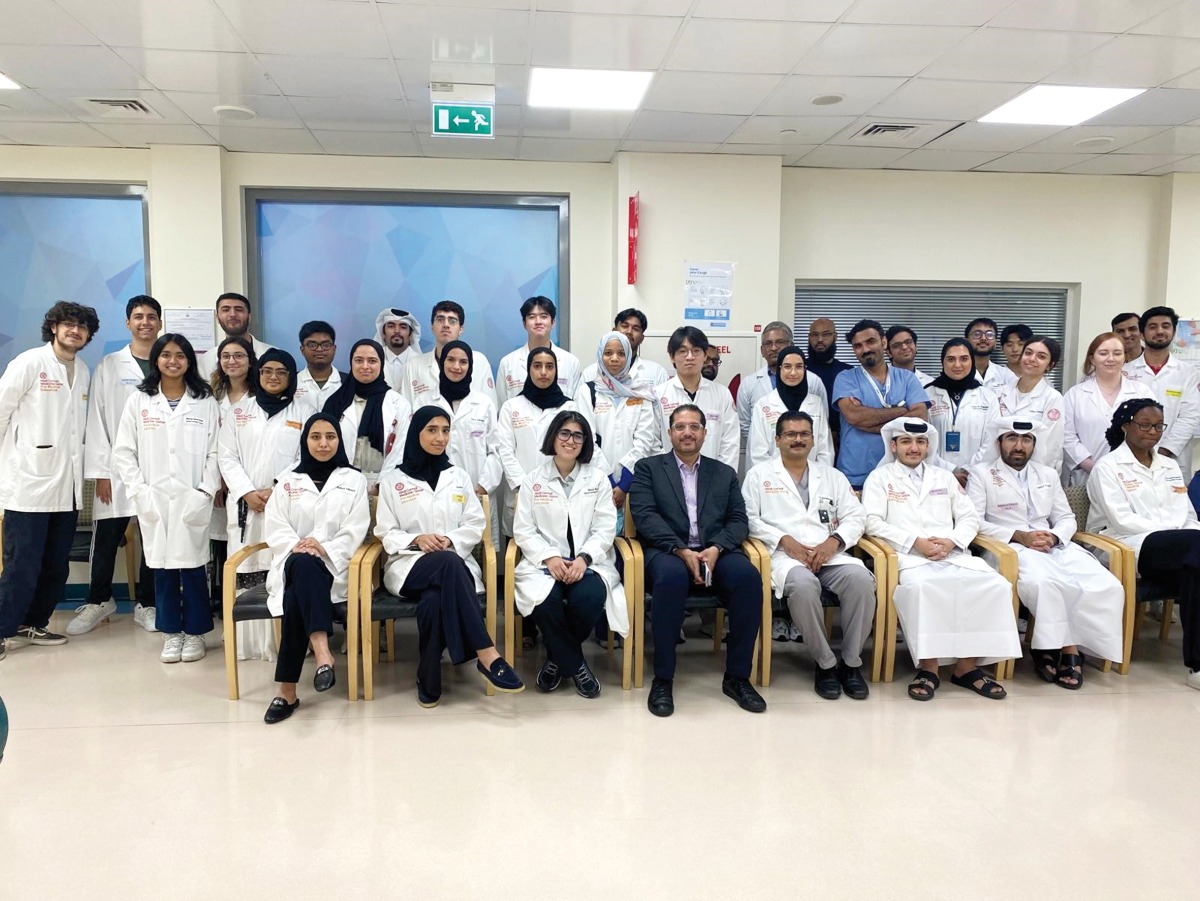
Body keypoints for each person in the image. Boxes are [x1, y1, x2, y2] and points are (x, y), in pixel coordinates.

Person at [863, 419, 1021, 701]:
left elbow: (969, 516)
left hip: (954, 554)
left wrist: (951, 541)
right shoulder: (880, 478)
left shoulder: (944, 477)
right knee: (926, 589)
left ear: (928, 446)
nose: (914, 448)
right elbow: (872, 522)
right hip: (908, 557)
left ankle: (967, 667)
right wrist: (915, 542)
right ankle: (929, 667)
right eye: (906, 442)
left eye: (920, 442)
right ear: (893, 445)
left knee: (995, 586)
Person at [375, 407, 523, 706]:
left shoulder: (458, 476)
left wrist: (449, 539)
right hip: (409, 566)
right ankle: (485, 652)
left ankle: (428, 676)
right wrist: (416, 539)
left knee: (433, 600)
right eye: (432, 430)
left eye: (445, 430)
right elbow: (385, 531)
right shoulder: (393, 481)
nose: (440, 437)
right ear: (416, 433)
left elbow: (473, 523)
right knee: (447, 563)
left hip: (453, 564)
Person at [630, 404, 767, 717]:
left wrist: (717, 548)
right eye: (680, 427)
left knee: (747, 578)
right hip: (666, 552)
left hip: (715, 552)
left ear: (705, 433)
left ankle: (737, 677)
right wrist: (681, 550)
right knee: (672, 578)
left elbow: (737, 519)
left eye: (694, 426)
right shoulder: (648, 468)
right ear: (670, 433)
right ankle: (663, 678)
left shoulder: (724, 473)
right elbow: (645, 516)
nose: (687, 432)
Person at [969, 419, 1125, 688]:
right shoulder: (981, 473)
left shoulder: (1047, 474)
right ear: (999, 443)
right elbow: (973, 521)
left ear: (1034, 445)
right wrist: (1020, 536)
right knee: (1046, 584)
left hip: (1053, 544)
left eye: (1026, 440)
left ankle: (1062, 647)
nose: (1019, 446)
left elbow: (1066, 517)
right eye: (1011, 439)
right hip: (1008, 546)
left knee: (1106, 584)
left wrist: (1053, 536)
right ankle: (1068, 650)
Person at [743, 410, 876, 700]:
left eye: (804, 434)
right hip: (785, 556)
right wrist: (784, 540)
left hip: (829, 554)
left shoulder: (832, 475)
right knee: (803, 587)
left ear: (813, 439)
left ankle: (851, 663)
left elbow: (856, 516)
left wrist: (835, 541)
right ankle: (826, 663)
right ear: (777, 440)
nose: (798, 439)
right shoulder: (759, 475)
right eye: (790, 434)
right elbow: (749, 518)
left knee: (862, 580)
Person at [112, 334, 221, 665]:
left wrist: (205, 491)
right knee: (162, 569)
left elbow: (216, 452)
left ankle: (197, 632)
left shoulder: (204, 401)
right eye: (166, 355)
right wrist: (139, 490)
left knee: (192, 568)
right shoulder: (140, 401)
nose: (173, 361)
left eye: (180, 355)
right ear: (156, 359)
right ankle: (172, 633)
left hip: (192, 497)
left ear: (189, 361)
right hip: (154, 499)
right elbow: (124, 451)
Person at [0, 301, 98, 660]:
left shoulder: (83, 370)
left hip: (66, 488)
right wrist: (7, 467)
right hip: (27, 485)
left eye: (83, 327)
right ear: (54, 327)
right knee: (21, 563)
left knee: (56, 564)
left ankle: (33, 622)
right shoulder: (29, 363)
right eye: (69, 324)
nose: (76, 331)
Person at [261, 414, 371, 724]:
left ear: (339, 441)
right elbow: (276, 526)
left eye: (330, 437)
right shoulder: (287, 480)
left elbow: (356, 528)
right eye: (315, 437)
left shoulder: (354, 480)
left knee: (299, 591)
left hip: (335, 566)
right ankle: (323, 653)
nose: (323, 443)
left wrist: (323, 548)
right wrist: (299, 546)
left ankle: (286, 691)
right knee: (303, 568)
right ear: (305, 441)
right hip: (293, 559)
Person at [512, 411, 628, 698]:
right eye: (564, 433)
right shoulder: (532, 481)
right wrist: (550, 557)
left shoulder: (598, 480)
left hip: (588, 563)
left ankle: (555, 660)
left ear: (585, 442)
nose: (570, 440)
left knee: (588, 598)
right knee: (546, 601)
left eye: (578, 435)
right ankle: (576, 665)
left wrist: (584, 558)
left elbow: (605, 527)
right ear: (553, 437)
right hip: (543, 564)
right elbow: (524, 530)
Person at [1087, 398, 1200, 691]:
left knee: (1195, 569)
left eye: (1158, 426)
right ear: (1126, 426)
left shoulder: (1169, 465)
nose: (1152, 432)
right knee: (1194, 550)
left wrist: (1185, 536)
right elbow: (1122, 520)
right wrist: (1177, 536)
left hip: (1182, 549)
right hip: (1129, 546)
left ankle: (1197, 666)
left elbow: (1187, 514)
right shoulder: (1108, 467)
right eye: (1145, 425)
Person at [69, 295, 159, 636]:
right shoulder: (109, 365)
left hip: (155, 469)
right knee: (106, 536)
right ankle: (99, 600)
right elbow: (98, 420)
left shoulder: (169, 361)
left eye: (151, 316)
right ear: (128, 323)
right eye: (138, 316)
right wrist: (101, 472)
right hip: (117, 469)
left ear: (159, 323)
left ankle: (147, 604)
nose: (145, 322)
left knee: (152, 537)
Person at [218, 349, 316, 660]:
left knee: (282, 569)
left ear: (291, 377)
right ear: (258, 374)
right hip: (247, 506)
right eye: (267, 371)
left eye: (281, 372)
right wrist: (247, 492)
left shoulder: (304, 411)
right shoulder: (238, 412)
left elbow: (308, 456)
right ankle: (247, 645)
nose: (273, 377)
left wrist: (277, 489)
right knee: (246, 569)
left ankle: (285, 643)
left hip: (287, 503)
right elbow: (227, 457)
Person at [492, 346, 603, 536]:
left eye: (549, 367)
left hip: (562, 493)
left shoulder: (569, 407)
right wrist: (524, 486)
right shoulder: (511, 407)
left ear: (556, 371)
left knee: (562, 548)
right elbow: (505, 451)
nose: (543, 372)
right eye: (537, 366)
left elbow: (582, 446)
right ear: (529, 370)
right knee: (521, 551)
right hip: (520, 493)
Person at [833, 319, 930, 491]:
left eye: (870, 342)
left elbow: (920, 416)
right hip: (856, 474)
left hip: (901, 472)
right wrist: (902, 410)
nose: (865, 349)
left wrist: (869, 421)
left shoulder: (907, 378)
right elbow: (855, 416)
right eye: (858, 346)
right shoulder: (846, 378)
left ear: (884, 342)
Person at [1062, 332, 1153, 486]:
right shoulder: (1075, 394)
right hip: (1087, 475)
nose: (1110, 359)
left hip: (1133, 475)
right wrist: (1095, 467)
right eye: (1103, 353)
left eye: (1117, 353)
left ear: (1124, 357)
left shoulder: (1142, 392)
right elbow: (1067, 437)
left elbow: (1151, 432)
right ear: (1092, 358)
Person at [587, 331, 659, 522]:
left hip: (634, 481)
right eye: (608, 353)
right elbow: (587, 440)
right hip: (595, 478)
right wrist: (610, 481)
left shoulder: (640, 392)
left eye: (621, 353)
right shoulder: (588, 391)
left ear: (629, 357)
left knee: (631, 536)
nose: (614, 359)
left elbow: (644, 441)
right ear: (600, 356)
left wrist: (624, 484)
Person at [207, 336, 257, 605]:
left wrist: (235, 482)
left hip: (247, 478)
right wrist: (217, 482)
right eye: (226, 356)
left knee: (244, 543)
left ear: (250, 361)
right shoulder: (210, 395)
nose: (232, 361)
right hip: (217, 479)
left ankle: (244, 604)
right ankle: (222, 603)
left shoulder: (259, 395)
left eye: (239, 355)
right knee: (221, 544)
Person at [1122, 306, 1200, 479]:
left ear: (1173, 331)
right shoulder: (1125, 372)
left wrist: (1164, 453)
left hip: (1172, 459)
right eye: (1152, 327)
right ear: (1142, 334)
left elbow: (1190, 417)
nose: (1160, 331)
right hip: (1131, 456)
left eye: (1165, 326)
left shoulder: (1189, 373)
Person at [322, 339, 412, 487]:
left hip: (382, 482)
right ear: (351, 363)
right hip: (338, 481)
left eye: (372, 361)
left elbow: (400, 449)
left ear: (381, 364)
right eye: (359, 360)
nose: (365, 366)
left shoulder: (398, 404)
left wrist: (382, 484)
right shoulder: (335, 402)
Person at [423, 340, 502, 497]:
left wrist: (484, 485)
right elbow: (416, 448)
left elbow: (496, 450)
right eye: (450, 359)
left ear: (470, 366)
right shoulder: (424, 401)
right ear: (442, 362)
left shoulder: (484, 403)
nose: (456, 367)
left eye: (463, 362)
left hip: (476, 490)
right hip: (435, 490)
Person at [654, 327, 739, 470]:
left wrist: (722, 479)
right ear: (672, 357)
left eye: (696, 351)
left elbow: (730, 443)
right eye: (682, 351)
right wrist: (667, 475)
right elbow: (653, 443)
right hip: (669, 478)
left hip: (714, 479)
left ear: (705, 355)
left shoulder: (722, 394)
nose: (689, 357)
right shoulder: (658, 395)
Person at [738, 321, 830, 440]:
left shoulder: (814, 381)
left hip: (806, 452)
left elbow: (822, 422)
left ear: (791, 345)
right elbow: (745, 426)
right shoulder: (748, 383)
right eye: (768, 343)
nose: (774, 347)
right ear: (762, 350)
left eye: (780, 342)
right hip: (767, 454)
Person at [924, 338, 998, 481]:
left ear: (972, 361)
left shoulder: (988, 397)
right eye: (951, 359)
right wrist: (949, 471)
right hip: (936, 474)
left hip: (977, 476)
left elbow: (992, 440)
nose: (957, 365)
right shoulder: (927, 394)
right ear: (943, 362)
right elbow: (922, 439)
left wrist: (968, 470)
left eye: (964, 359)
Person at [747, 346, 832, 468]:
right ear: (779, 369)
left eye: (799, 366)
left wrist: (818, 477)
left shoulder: (816, 403)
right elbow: (757, 452)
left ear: (805, 369)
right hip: (773, 480)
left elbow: (825, 449)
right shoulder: (763, 405)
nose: (793, 372)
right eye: (787, 367)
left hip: (812, 478)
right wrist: (772, 480)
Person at [399, 301, 496, 407]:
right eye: (440, 319)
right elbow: (405, 410)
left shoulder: (479, 361)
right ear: (432, 327)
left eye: (452, 321)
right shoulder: (414, 364)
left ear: (461, 329)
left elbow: (491, 407)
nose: (446, 325)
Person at [991, 335, 1065, 471]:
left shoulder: (1052, 398)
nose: (1031, 359)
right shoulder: (999, 393)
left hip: (1036, 473)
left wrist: (1031, 476)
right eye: (1028, 353)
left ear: (1050, 365)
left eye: (1041, 356)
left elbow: (1050, 446)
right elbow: (991, 435)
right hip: (998, 470)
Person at [496, 296, 580, 404]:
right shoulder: (508, 363)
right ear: (524, 323)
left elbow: (576, 408)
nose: (538, 322)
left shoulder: (571, 362)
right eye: (532, 317)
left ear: (553, 322)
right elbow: (501, 406)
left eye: (544, 316)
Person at [581, 308, 670, 387]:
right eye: (624, 326)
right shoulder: (590, 373)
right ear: (614, 331)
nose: (629, 331)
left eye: (635, 329)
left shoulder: (657, 372)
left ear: (642, 338)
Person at [196, 292, 273, 380]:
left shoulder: (270, 354)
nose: (232, 314)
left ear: (249, 316)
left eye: (239, 309)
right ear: (217, 317)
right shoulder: (206, 360)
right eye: (225, 310)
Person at [806, 317, 853, 447]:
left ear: (835, 337)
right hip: (806, 438)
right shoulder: (799, 369)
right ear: (809, 338)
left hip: (843, 441)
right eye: (815, 335)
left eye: (826, 334)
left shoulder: (848, 372)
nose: (820, 340)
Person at [294, 320, 344, 409]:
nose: (319, 349)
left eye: (325, 345)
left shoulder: (348, 382)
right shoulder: (291, 382)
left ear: (334, 349)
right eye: (312, 345)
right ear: (302, 350)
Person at [374, 308, 422, 392]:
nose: (397, 331)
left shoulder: (421, 363)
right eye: (391, 326)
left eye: (403, 327)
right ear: (383, 333)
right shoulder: (370, 360)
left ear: (410, 335)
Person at [965, 317, 1017, 390]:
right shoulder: (958, 372)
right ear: (966, 341)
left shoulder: (1006, 375)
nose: (983, 338)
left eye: (989, 334)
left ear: (995, 342)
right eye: (977, 334)